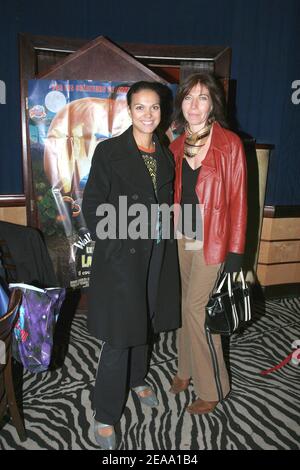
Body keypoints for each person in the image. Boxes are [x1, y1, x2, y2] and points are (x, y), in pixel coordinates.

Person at [82, 81, 180, 449]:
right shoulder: (110, 151)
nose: (148, 114)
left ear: (162, 112)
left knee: (147, 318)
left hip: (157, 250)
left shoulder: (165, 152)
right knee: (120, 332)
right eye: (140, 107)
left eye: (154, 107)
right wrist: (115, 242)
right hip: (123, 255)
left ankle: (137, 378)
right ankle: (105, 413)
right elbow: (92, 203)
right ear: (129, 110)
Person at [169, 72, 247, 414]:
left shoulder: (229, 144)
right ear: (181, 103)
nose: (194, 105)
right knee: (184, 303)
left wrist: (236, 253)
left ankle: (213, 387)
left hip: (213, 239)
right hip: (182, 235)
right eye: (188, 97)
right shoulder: (174, 144)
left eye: (202, 97)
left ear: (213, 102)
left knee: (198, 311)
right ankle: (185, 368)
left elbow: (240, 201)